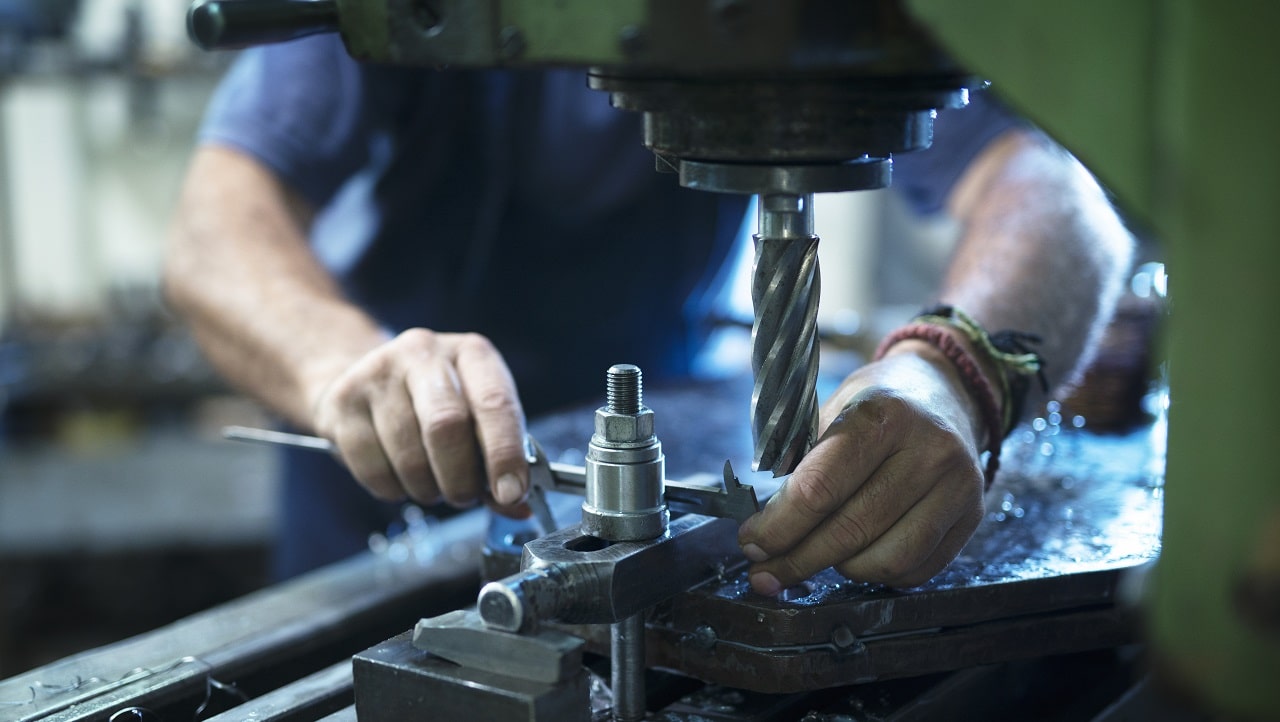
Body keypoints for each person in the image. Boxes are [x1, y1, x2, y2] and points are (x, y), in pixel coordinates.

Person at [165, 35, 1133, 589]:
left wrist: (947, 371)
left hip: (676, 498)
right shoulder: (406, 27)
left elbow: (1054, 191)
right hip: (394, 517)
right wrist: (341, 368)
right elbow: (214, 230)